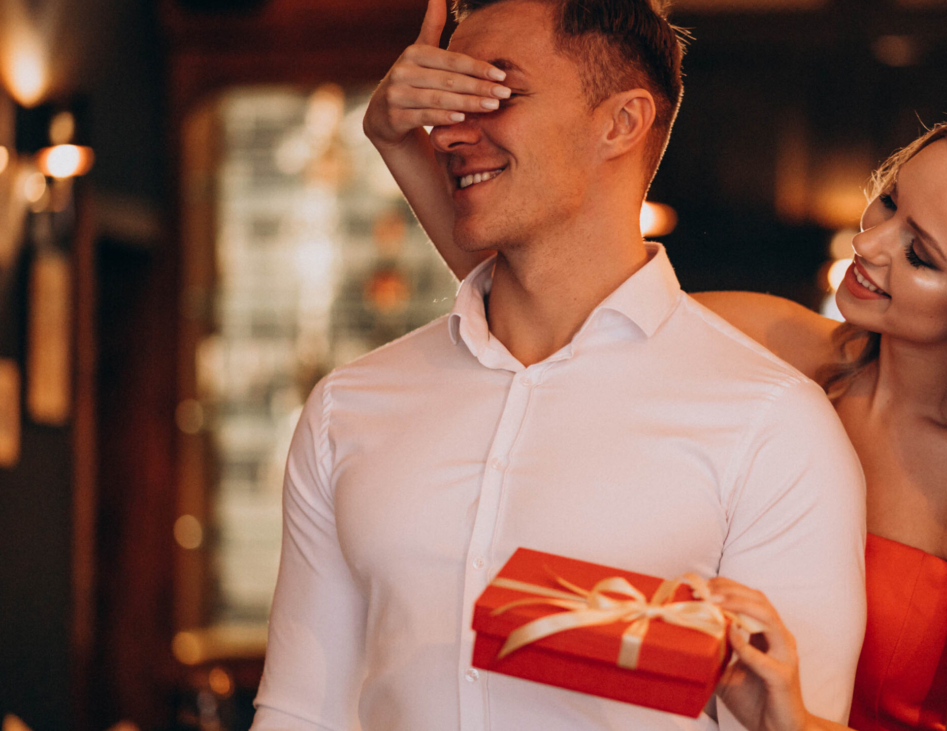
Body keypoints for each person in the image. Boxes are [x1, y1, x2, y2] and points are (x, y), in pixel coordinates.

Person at [383, 46, 947, 726]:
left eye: (921, 254)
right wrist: (398, 141)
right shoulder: (785, 350)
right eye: (890, 201)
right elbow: (541, 303)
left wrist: (793, 719)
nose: (870, 242)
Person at [250, 0, 868, 729]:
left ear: (622, 122)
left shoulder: (772, 425)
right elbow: (300, 712)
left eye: (497, 93)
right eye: (446, 96)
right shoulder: (347, 407)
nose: (448, 131)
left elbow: (790, 718)